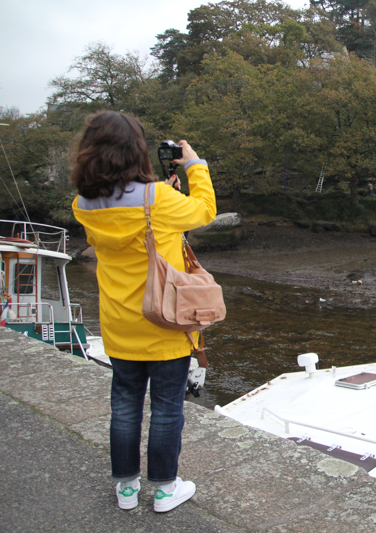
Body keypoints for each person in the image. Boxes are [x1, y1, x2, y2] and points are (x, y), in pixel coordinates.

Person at [71, 111, 216, 512]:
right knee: (167, 406)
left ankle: (127, 489)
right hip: (164, 322)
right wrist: (195, 166)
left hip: (118, 324)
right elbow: (203, 210)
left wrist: (155, 192)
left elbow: (126, 221)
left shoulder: (83, 204)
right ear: (136, 150)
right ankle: (166, 490)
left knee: (125, 404)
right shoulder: (159, 200)